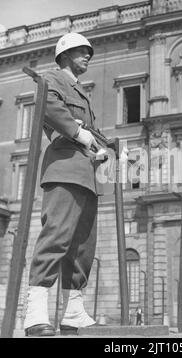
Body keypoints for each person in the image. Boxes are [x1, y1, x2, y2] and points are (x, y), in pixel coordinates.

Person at [23, 32, 105, 337]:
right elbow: (47, 106)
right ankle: (35, 312)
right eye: (82, 51)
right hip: (64, 169)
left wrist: (101, 146)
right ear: (66, 54)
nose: (88, 56)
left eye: (88, 52)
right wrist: (78, 131)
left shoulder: (82, 91)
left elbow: (91, 132)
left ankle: (73, 313)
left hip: (87, 174)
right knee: (56, 237)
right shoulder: (53, 79)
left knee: (82, 246)